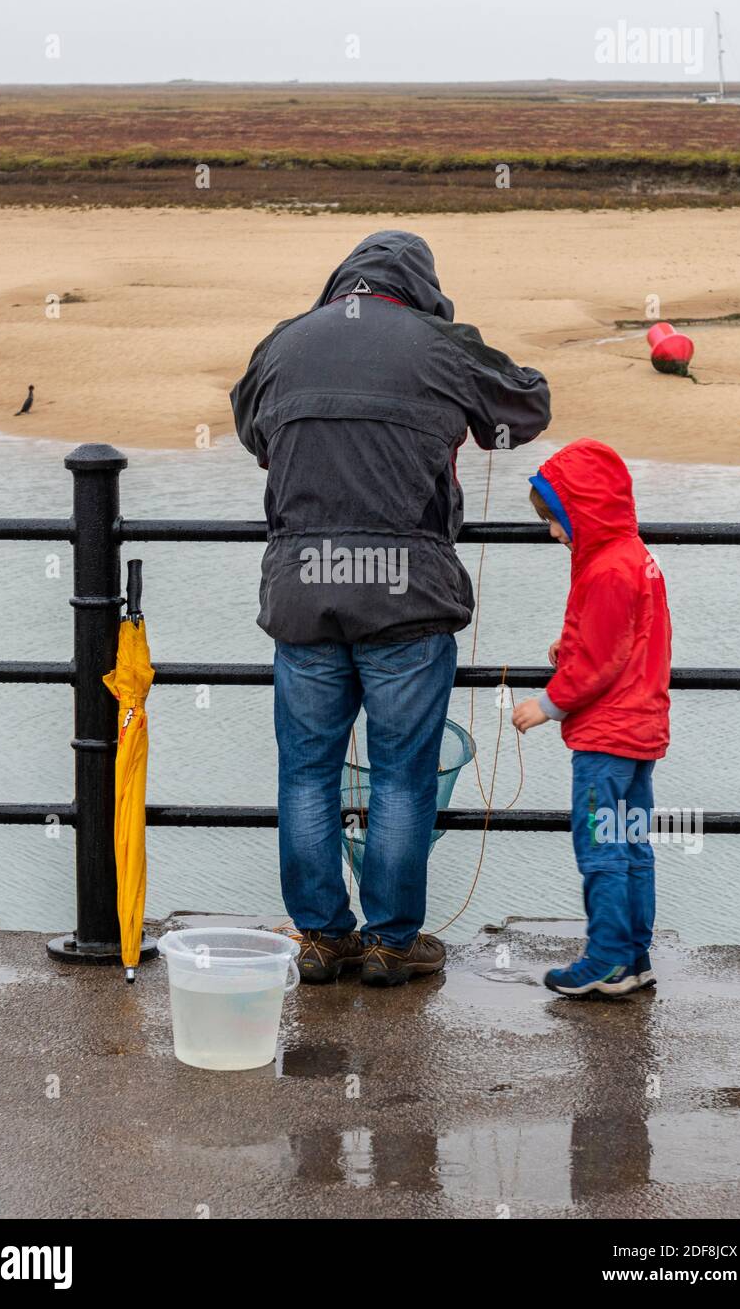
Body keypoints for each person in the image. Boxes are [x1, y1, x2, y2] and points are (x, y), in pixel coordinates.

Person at [230, 230, 550, 986]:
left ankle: (318, 936)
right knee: (402, 776)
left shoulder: (284, 343)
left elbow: (253, 430)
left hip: (303, 590)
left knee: (306, 773)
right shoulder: (440, 343)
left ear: (343, 282)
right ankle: (392, 942)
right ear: (421, 288)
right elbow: (526, 408)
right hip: (407, 596)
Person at [512, 439, 672, 997]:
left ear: (583, 511)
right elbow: (627, 636)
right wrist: (571, 643)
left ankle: (605, 959)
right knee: (632, 845)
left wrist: (548, 704)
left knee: (601, 849)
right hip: (640, 731)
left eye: (556, 522)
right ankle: (635, 955)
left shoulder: (604, 569)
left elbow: (601, 663)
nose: (554, 534)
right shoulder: (635, 557)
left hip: (606, 738)